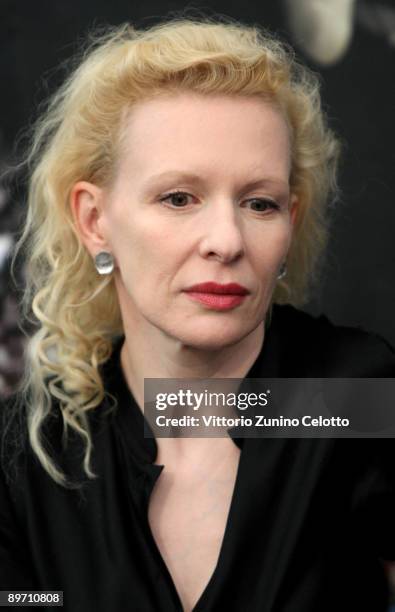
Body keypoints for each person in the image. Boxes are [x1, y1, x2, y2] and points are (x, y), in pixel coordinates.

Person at [1, 14, 395, 612]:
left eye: (259, 203)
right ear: (93, 220)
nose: (226, 240)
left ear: (290, 220)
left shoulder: (355, 399)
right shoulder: (24, 462)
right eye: (179, 198)